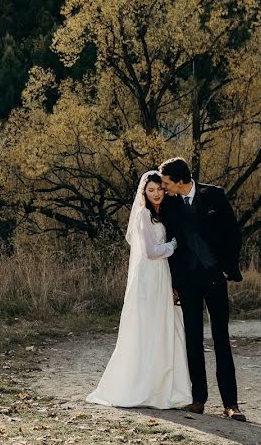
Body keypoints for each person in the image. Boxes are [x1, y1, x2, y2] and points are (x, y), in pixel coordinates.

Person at [86, 171, 192, 409]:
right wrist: (175, 244)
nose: (156, 194)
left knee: (161, 327)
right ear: (144, 192)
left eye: (159, 189)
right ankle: (141, 386)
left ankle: (161, 386)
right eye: (151, 190)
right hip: (148, 277)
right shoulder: (143, 215)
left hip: (161, 275)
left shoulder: (160, 214)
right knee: (146, 328)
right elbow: (151, 251)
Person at [159, 157, 246, 421]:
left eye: (166, 183)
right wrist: (174, 283)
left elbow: (234, 234)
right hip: (187, 282)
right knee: (193, 340)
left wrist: (226, 268)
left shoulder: (214, 195)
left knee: (221, 339)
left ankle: (231, 404)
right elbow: (169, 244)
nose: (163, 188)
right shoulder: (170, 204)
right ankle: (198, 400)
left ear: (181, 181)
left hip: (215, 277)